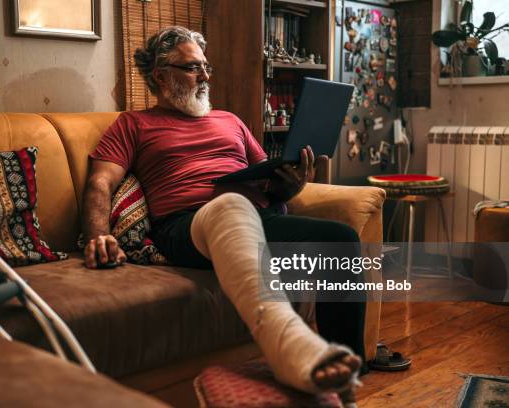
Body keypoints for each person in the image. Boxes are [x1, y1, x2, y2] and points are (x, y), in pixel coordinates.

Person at [82, 26, 364, 403]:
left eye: (206, 66)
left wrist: (292, 183)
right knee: (229, 205)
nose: (205, 76)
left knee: (341, 241)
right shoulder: (134, 125)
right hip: (185, 226)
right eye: (192, 68)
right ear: (160, 76)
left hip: (253, 217)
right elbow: (100, 183)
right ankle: (291, 351)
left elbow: (270, 183)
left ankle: (340, 376)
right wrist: (101, 235)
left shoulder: (230, 120)